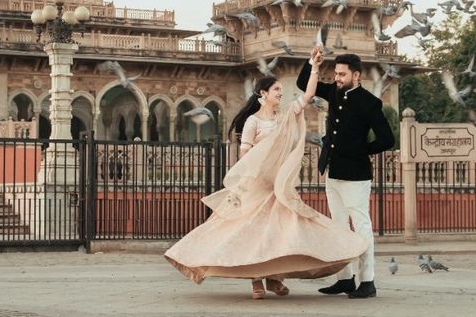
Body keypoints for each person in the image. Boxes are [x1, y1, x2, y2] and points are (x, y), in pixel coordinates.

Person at [164, 57, 367, 299]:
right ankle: (256, 281)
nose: (281, 93)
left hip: (279, 185)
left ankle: (274, 278)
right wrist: (244, 183)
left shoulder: (285, 116)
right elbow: (245, 155)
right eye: (277, 89)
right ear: (264, 93)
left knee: (280, 233)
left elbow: (308, 94)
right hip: (258, 185)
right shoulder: (253, 121)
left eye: (282, 89)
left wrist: (314, 67)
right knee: (252, 233)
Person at [296, 48, 395, 299]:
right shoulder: (333, 92)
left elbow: (387, 139)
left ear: (356, 75)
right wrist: (313, 64)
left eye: (342, 74)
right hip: (334, 170)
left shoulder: (369, 102)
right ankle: (344, 279)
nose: (337, 78)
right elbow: (302, 83)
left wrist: (361, 151)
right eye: (336, 73)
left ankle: (368, 281)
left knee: (361, 226)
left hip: (356, 174)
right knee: (339, 226)